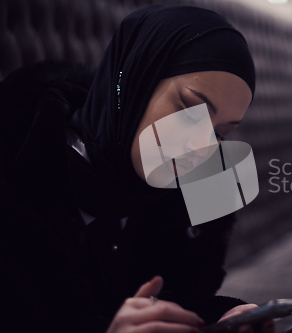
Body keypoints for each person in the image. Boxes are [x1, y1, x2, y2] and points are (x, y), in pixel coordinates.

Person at [0, 5, 268, 333]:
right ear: (136, 80)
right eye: (189, 108)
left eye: (220, 133)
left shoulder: (182, 206)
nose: (202, 147)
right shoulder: (20, 171)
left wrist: (221, 318)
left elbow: (176, 302)